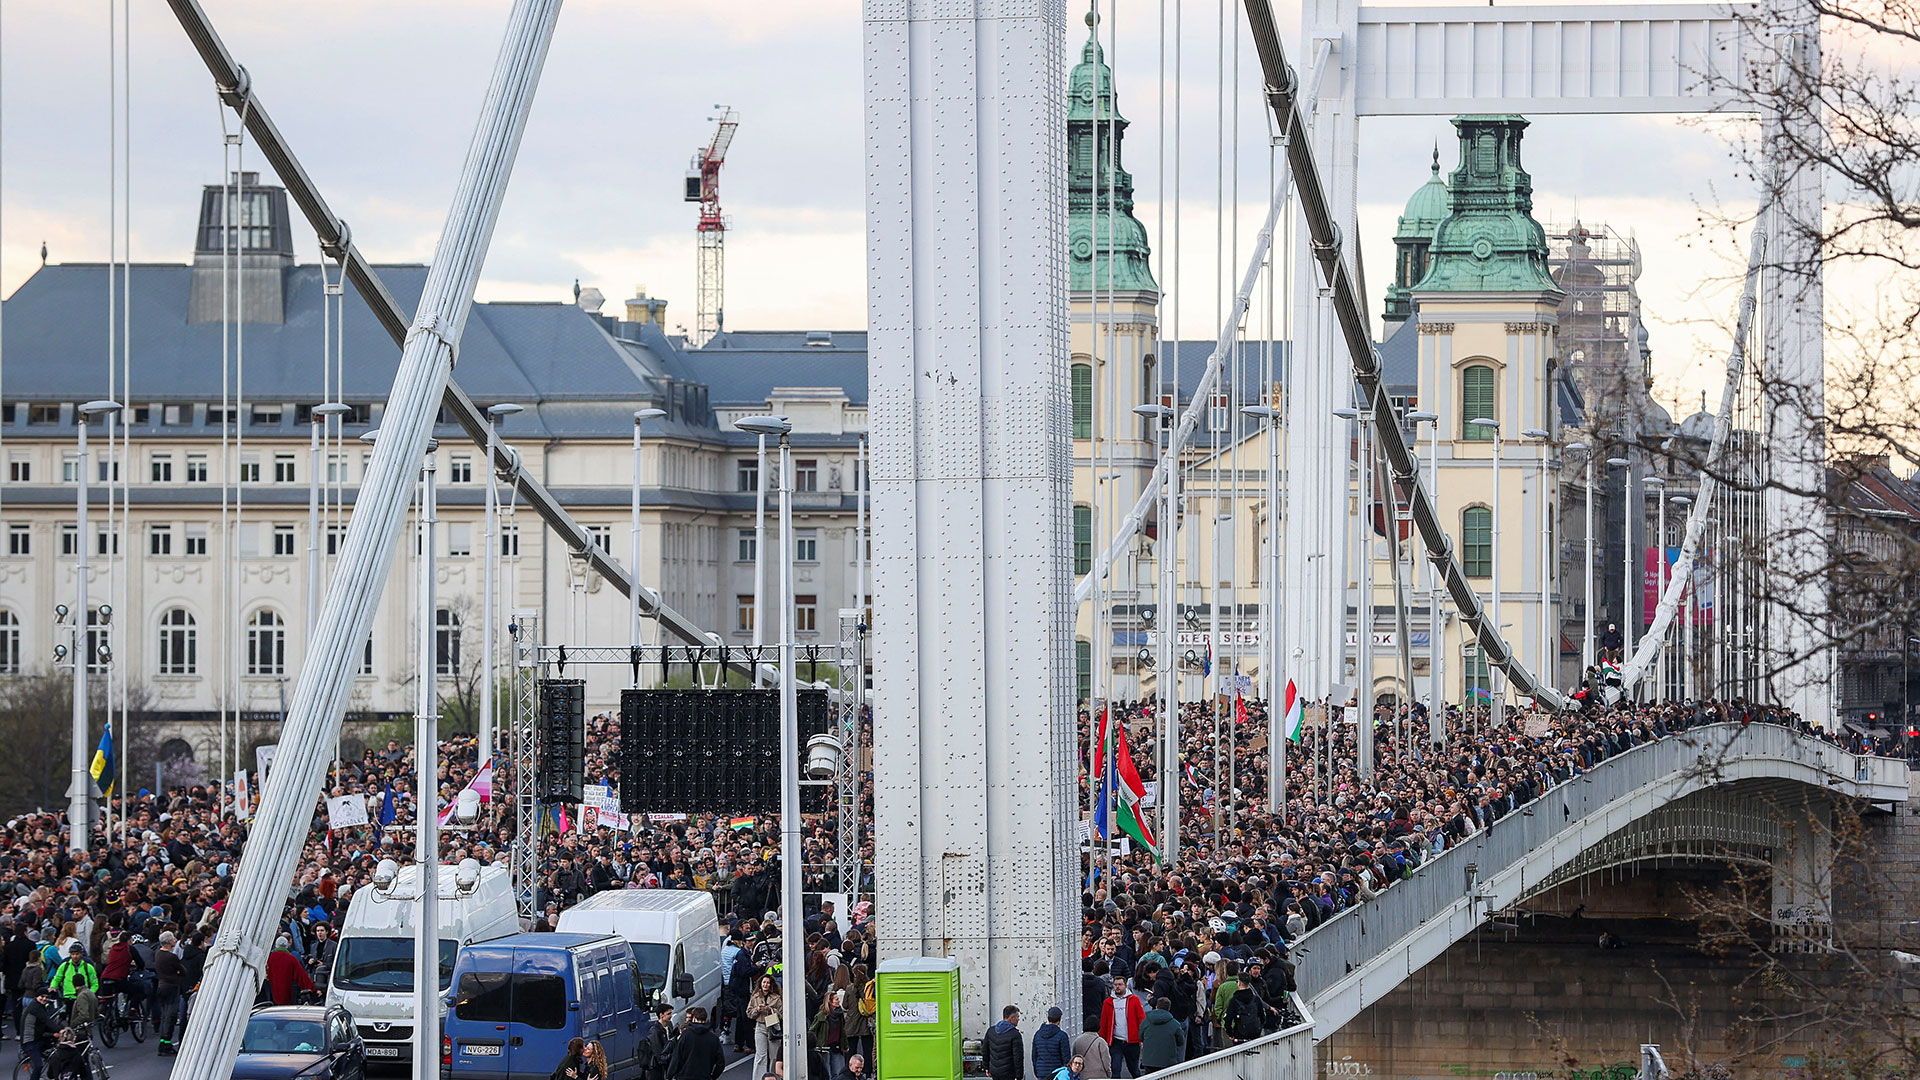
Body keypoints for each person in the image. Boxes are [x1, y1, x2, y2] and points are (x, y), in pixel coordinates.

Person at [1098, 978, 1143, 1078]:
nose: (1117, 987)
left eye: (1120, 984)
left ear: (1125, 986)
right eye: (1115, 984)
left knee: (1134, 1070)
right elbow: (1104, 1022)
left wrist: (1141, 1037)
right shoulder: (1108, 1002)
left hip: (1132, 1041)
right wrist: (1103, 1039)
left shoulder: (1134, 1000)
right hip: (1115, 1041)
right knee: (1115, 1069)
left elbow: (1141, 1019)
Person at [666, 1007, 725, 1080]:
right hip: (704, 1076)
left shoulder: (686, 1035)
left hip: (685, 1076)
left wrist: (670, 1075)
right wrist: (713, 1077)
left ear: (694, 1018)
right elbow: (720, 1063)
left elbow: (676, 1057)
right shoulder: (713, 1038)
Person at [153, 931, 184, 1057]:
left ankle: (163, 1040)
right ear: (169, 941)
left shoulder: (158, 954)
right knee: (171, 1015)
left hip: (161, 986)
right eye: (173, 939)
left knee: (165, 1015)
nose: (175, 940)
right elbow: (182, 971)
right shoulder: (171, 957)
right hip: (171, 987)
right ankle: (166, 1042)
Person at [746, 973, 782, 1080]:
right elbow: (749, 1013)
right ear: (760, 983)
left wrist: (770, 1010)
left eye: (768, 983)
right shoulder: (755, 996)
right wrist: (757, 1009)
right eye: (764, 982)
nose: (765, 985)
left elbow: (782, 1014)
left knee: (774, 1056)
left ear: (771, 985)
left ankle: (773, 1077)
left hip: (773, 1026)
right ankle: (758, 1078)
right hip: (760, 1026)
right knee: (761, 1055)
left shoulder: (777, 998)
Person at [1137, 998, 1185, 1074]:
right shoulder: (1175, 1024)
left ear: (1156, 1006)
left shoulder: (1146, 1021)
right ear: (1169, 1008)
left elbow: (1140, 1037)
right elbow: (1181, 1041)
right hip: (1168, 1061)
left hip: (1149, 1060)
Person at [264, 935, 316, 1005]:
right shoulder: (292, 959)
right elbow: (302, 977)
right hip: (287, 995)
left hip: (271, 995)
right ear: (287, 946)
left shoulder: (268, 958)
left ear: (276, 945)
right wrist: (313, 989)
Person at [47, 945, 97, 1010]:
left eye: (77, 954)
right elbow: (57, 978)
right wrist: (53, 987)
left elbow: (94, 983)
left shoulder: (88, 967)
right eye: (73, 954)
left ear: (81, 954)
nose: (75, 956)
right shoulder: (64, 966)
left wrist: (90, 993)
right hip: (68, 997)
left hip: (84, 997)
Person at [1031, 1005, 1073, 1080]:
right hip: (1057, 1073)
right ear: (1060, 1019)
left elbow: (1034, 1056)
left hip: (1041, 1072)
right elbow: (1066, 1058)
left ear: (1048, 1018)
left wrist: (1037, 1071)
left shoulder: (1037, 1034)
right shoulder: (1062, 1036)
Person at [984, 1005, 1025, 1080]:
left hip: (994, 1072)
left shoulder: (991, 1031)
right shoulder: (1015, 1035)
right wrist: (1019, 1076)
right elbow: (1018, 1058)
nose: (1018, 1019)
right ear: (1012, 1018)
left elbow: (985, 1051)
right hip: (1008, 1073)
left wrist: (987, 1067)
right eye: (1017, 1017)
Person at [642, 1003, 676, 1080]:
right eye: (668, 1014)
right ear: (661, 1015)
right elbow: (658, 1052)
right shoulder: (654, 1031)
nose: (671, 1016)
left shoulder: (669, 1026)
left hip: (666, 1065)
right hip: (656, 1068)